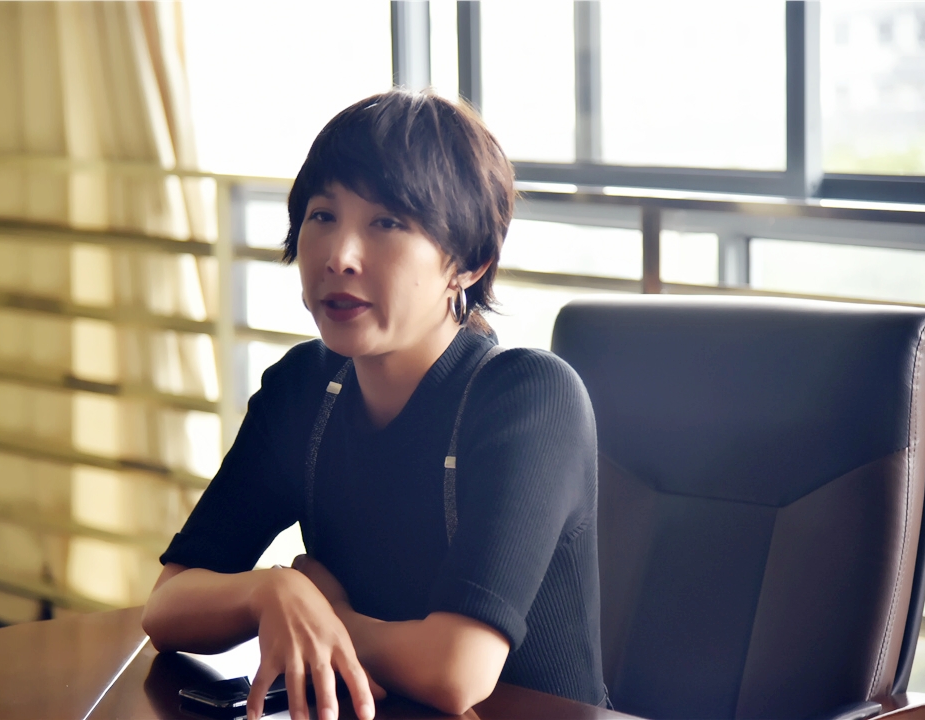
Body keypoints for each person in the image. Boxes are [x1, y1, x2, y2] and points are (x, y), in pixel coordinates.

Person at [141, 90, 604, 720]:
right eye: (322, 215)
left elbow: (456, 672)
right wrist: (272, 592)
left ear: (469, 264)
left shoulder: (530, 398)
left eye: (387, 223)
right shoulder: (303, 388)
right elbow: (166, 607)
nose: (339, 257)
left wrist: (329, 616)